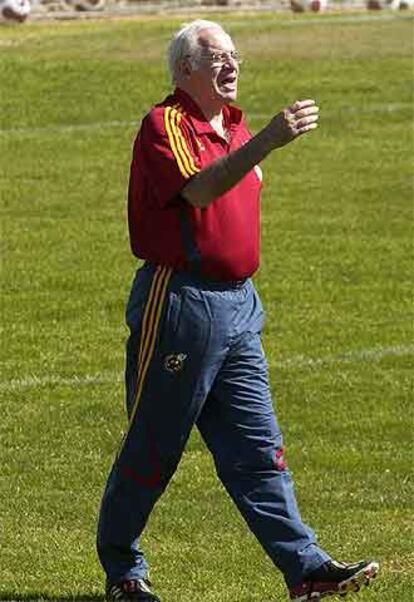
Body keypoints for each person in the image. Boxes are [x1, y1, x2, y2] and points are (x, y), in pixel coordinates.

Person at [96, 19, 379, 602]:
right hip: (180, 303)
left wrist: (254, 144)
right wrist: (267, 141)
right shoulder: (166, 123)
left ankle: (305, 569)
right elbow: (198, 191)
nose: (231, 66)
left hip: (239, 306)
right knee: (154, 444)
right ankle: (124, 570)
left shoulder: (235, 125)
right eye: (216, 57)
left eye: (234, 56)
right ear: (184, 70)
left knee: (259, 448)